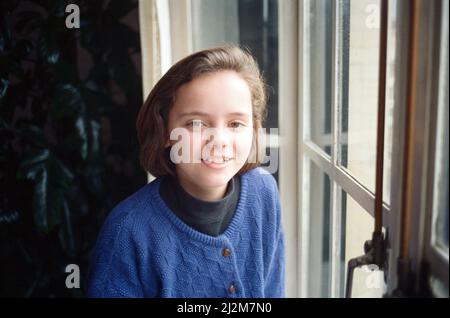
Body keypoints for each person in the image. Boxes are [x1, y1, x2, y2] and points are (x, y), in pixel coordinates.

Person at [87, 45, 285, 298]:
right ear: (165, 131)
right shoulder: (127, 232)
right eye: (196, 123)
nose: (219, 140)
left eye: (236, 123)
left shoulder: (264, 191)